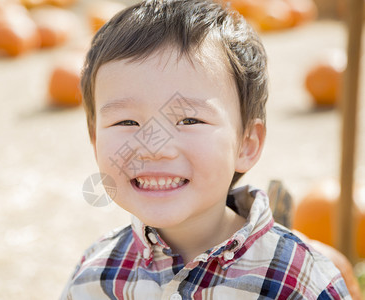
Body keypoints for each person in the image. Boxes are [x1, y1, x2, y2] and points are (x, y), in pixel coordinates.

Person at [61, 0, 351, 299]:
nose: (153, 149)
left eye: (189, 120)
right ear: (95, 142)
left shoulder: (300, 283)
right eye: (127, 121)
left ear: (246, 144)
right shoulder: (92, 277)